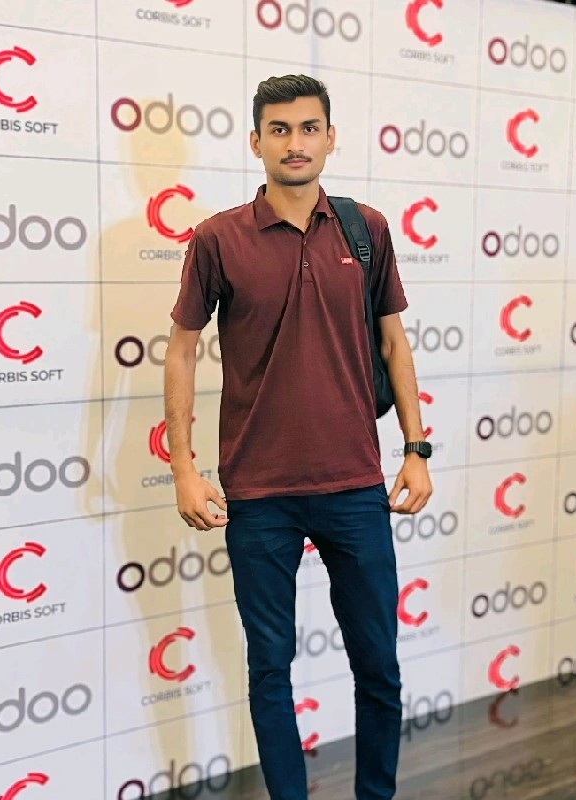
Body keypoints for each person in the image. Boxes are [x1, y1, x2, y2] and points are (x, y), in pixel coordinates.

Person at [164, 74, 433, 800]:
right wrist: (184, 468)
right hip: (259, 493)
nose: (294, 142)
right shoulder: (218, 238)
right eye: (279, 129)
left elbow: (393, 342)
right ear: (256, 141)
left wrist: (415, 446)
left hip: (354, 484)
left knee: (379, 667)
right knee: (270, 668)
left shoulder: (365, 229)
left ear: (329, 138)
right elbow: (182, 348)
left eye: (308, 128)